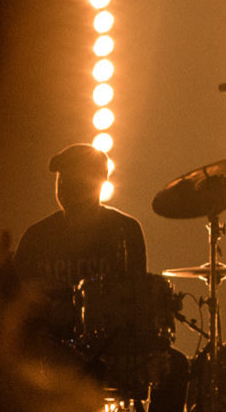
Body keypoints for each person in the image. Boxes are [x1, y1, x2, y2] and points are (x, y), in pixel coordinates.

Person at [15, 142, 149, 340]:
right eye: (61, 178)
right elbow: (17, 297)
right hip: (48, 347)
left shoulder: (125, 230)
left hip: (109, 344)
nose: (64, 185)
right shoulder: (36, 236)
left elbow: (137, 299)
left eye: (73, 178)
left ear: (99, 181)